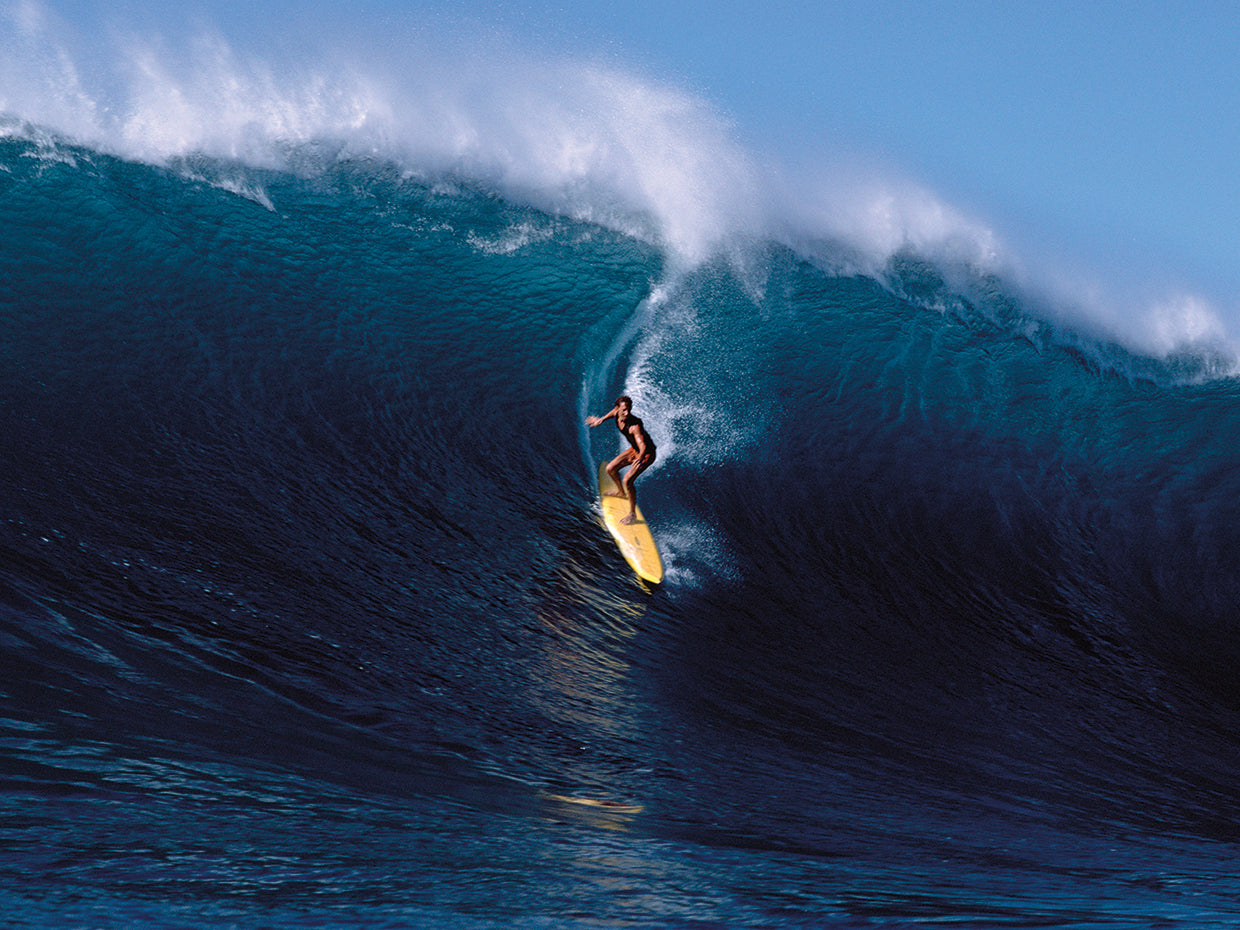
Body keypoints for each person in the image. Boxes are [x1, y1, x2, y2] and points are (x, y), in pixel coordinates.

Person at [585, 395, 657, 525]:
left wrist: (640, 458)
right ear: (618, 409)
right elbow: (613, 413)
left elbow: (642, 445)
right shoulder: (618, 414)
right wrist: (601, 420)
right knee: (610, 468)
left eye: (629, 409)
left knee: (628, 480)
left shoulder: (635, 426)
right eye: (624, 410)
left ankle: (632, 514)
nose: (627, 413)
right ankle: (621, 492)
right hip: (633, 450)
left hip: (646, 454)